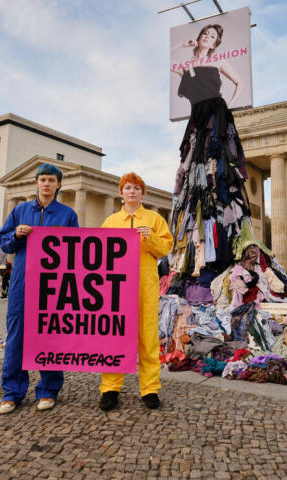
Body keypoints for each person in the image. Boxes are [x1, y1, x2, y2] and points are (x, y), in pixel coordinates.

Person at [0, 163, 78, 415]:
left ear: (58, 184)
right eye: (42, 179)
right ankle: (12, 392)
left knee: (49, 335)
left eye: (51, 180)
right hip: (22, 282)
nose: (46, 184)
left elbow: (76, 249)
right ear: (36, 183)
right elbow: (4, 242)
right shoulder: (20, 210)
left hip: (53, 285)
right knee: (16, 336)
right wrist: (17, 236)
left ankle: (48, 390)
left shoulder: (68, 214)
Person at [98, 173, 172, 411]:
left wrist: (148, 238)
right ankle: (110, 388)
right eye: (127, 188)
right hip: (117, 287)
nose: (131, 192)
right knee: (115, 336)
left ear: (142, 193)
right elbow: (100, 253)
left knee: (147, 337)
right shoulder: (110, 222)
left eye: (136, 188)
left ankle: (150, 388)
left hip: (145, 285)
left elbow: (164, 249)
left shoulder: (154, 219)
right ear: (121, 192)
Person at [171, 23, 243, 109]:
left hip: (217, 111)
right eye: (205, 33)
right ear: (199, 38)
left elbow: (240, 83)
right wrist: (182, 44)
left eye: (212, 36)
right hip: (196, 115)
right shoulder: (186, 66)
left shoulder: (218, 62)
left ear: (213, 45)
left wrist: (230, 104)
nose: (207, 37)